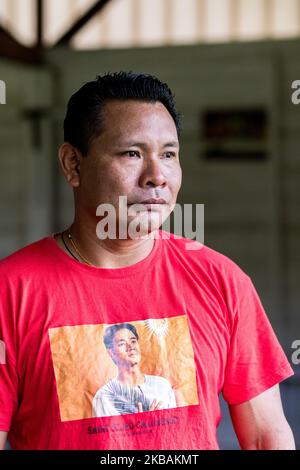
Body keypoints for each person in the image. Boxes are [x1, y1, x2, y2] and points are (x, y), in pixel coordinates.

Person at [0, 72, 295, 450]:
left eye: (168, 155)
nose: (157, 176)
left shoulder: (221, 280)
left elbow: (265, 436)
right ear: (73, 164)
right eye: (132, 154)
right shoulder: (13, 290)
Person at [92, 323, 176, 417]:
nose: (130, 346)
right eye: (122, 344)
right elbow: (104, 432)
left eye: (133, 341)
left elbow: (176, 428)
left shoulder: (162, 385)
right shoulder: (103, 397)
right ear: (111, 353)